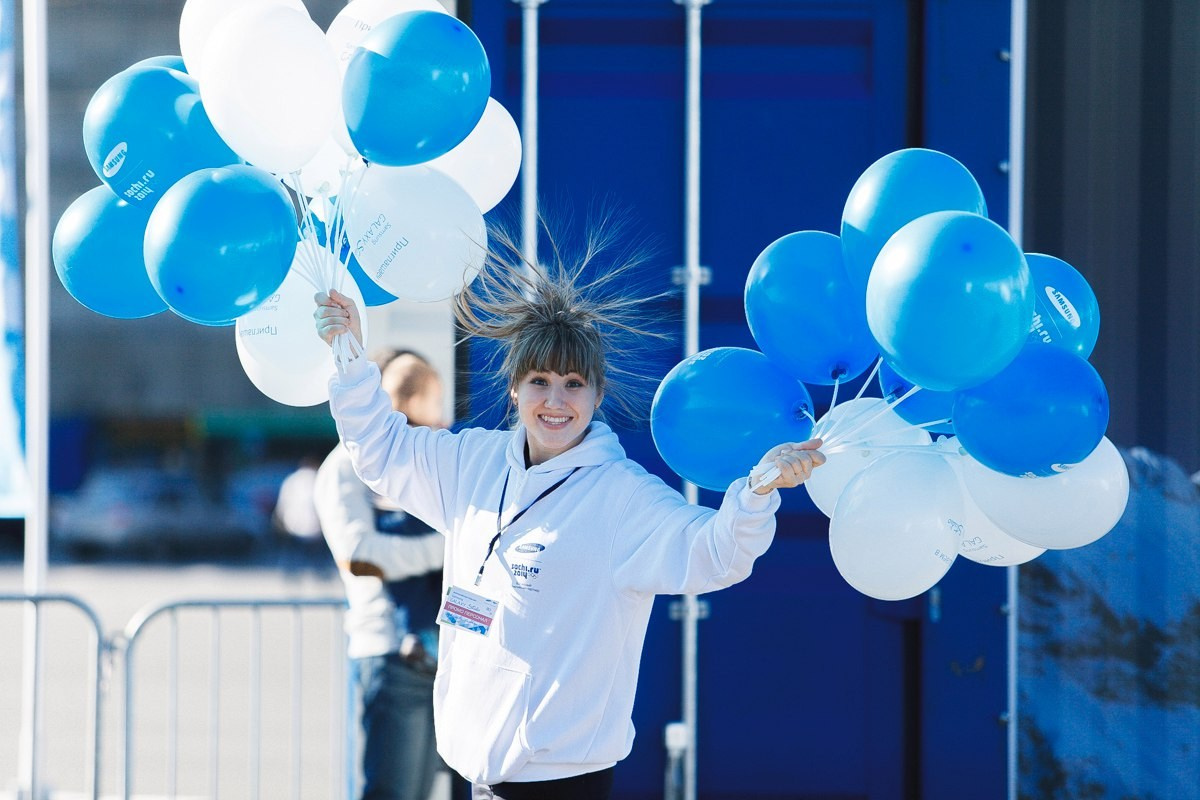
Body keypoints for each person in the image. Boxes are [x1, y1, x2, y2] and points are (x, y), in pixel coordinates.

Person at [313, 233, 825, 800]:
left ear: (597, 394)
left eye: (573, 385)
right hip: (477, 774)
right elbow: (381, 450)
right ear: (514, 388)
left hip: (559, 782)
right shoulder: (472, 462)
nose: (555, 402)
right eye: (540, 382)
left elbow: (712, 553)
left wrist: (757, 490)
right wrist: (350, 353)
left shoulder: (621, 498)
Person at [314, 349, 457, 800]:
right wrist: (451, 548)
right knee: (393, 791)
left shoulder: (422, 457)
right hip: (390, 650)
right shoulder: (344, 467)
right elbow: (360, 556)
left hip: (442, 650)